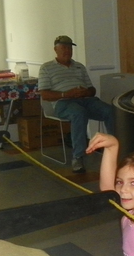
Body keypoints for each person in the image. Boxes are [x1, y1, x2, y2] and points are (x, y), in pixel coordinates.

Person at [38, 35, 115, 173]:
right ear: (55, 49)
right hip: (63, 103)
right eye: (64, 48)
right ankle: (78, 157)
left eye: (69, 48)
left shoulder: (79, 66)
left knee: (110, 111)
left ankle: (116, 148)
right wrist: (66, 94)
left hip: (86, 100)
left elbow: (92, 90)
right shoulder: (46, 68)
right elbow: (44, 94)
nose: (67, 51)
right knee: (78, 113)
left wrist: (86, 92)